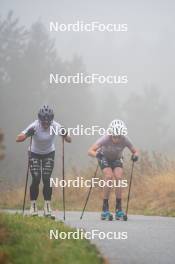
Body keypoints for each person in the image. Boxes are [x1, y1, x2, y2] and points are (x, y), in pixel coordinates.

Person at [16, 105, 71, 216]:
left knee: (46, 178)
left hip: (49, 153)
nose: (45, 124)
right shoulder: (34, 125)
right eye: (43, 122)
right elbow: (18, 138)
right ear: (39, 120)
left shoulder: (56, 125)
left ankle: (47, 206)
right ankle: (33, 206)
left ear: (51, 120)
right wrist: (27, 134)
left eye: (48, 122)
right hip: (34, 153)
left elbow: (69, 139)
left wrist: (65, 134)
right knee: (36, 178)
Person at [88, 119, 139, 220]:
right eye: (114, 136)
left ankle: (118, 209)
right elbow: (90, 151)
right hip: (104, 158)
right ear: (110, 133)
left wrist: (135, 156)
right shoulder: (105, 138)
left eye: (118, 136)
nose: (116, 139)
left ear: (122, 135)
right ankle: (105, 209)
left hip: (117, 159)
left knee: (119, 178)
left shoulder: (125, 139)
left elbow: (135, 151)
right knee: (109, 176)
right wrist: (97, 155)